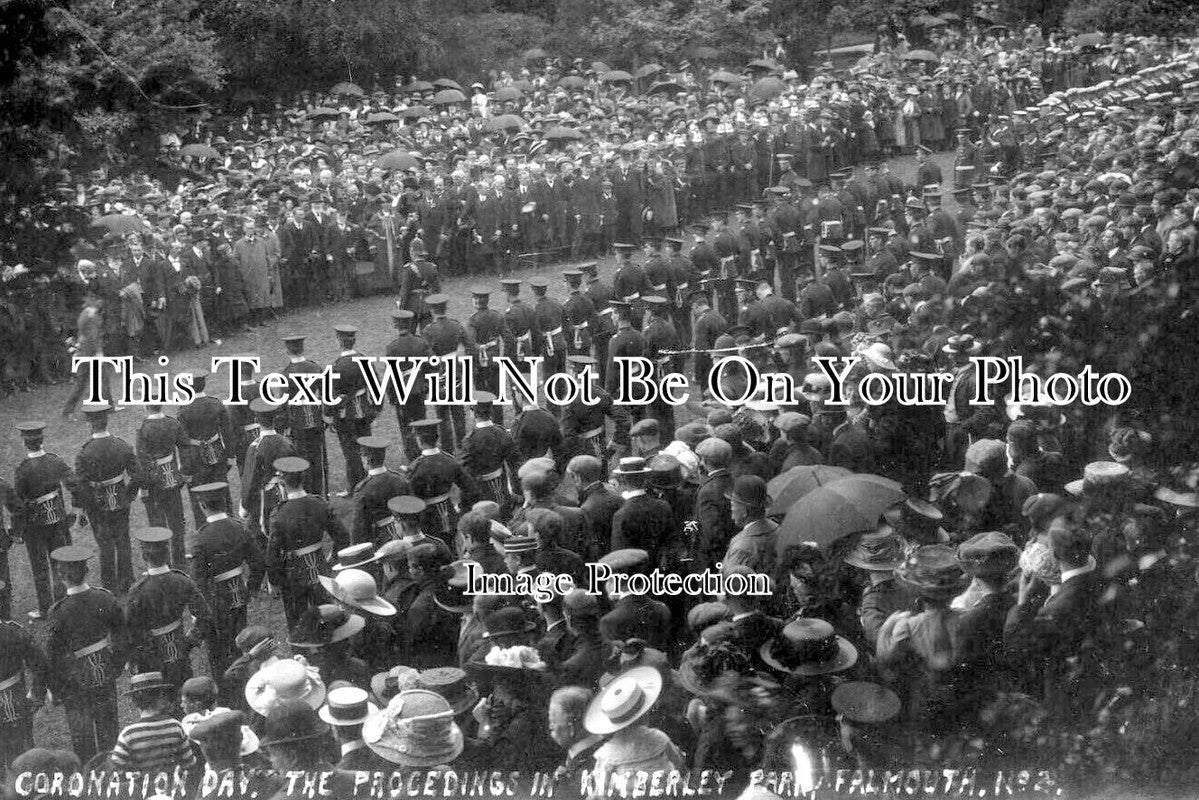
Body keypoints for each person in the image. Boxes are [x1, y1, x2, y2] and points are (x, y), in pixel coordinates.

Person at [45, 546, 124, 762]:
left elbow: (53, 655)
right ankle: (111, 769)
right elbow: (122, 633)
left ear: (61, 575)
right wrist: (116, 663)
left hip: (75, 677)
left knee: (82, 735)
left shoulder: (58, 612)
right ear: (87, 570)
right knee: (109, 725)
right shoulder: (105, 598)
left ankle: (88, 772)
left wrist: (55, 688)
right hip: (104, 669)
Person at [189, 481, 264, 694]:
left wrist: (197, 614)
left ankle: (225, 692)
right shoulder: (239, 527)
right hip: (238, 591)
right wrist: (251, 588)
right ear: (223, 501)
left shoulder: (200, 538)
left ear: (202, 505)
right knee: (240, 639)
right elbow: (258, 562)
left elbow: (197, 581)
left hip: (215, 598)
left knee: (217, 650)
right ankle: (244, 685)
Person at [124, 527, 211, 693]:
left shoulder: (138, 591)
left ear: (144, 556)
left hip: (151, 657)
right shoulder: (182, 581)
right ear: (167, 554)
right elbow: (204, 616)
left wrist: (134, 656)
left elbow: (129, 631)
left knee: (158, 695)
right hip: (179, 648)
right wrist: (190, 640)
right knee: (184, 690)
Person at [267, 457, 349, 627]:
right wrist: (333, 558)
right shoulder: (319, 503)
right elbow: (342, 536)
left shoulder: (279, 513)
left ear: (282, 483)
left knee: (298, 620)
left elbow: (273, 552)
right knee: (328, 613)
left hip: (294, 573)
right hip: (320, 565)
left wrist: (274, 580)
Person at [75, 402, 139, 594]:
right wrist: (129, 494)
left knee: (105, 544)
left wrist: (85, 508)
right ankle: (127, 580)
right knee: (123, 539)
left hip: (97, 503)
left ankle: (109, 584)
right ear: (106, 421)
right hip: (120, 498)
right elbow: (138, 475)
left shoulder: (84, 452)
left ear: (90, 423)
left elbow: (81, 485)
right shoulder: (122, 445)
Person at [13, 420, 74, 619]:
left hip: (35, 526)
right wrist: (75, 508)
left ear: (24, 443)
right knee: (60, 561)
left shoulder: (22, 469)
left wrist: (17, 531)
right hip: (58, 520)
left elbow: (18, 505)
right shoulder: (55, 461)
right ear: (42, 440)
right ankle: (64, 603)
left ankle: (45, 608)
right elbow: (73, 483)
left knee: (40, 567)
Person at [584, 666, 686, 785]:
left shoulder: (607, 754)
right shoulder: (659, 738)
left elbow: (601, 789)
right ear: (644, 712)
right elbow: (680, 765)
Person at [108, 671, 197, 771]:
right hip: (172, 780)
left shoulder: (129, 734)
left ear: (135, 702)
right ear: (161, 697)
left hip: (142, 780)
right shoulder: (176, 727)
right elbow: (189, 763)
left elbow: (116, 766)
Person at [135, 403, 189, 565]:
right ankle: (180, 560)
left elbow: (142, 462)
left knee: (157, 523)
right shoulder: (173, 423)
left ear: (146, 407)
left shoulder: (143, 429)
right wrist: (184, 472)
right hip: (172, 477)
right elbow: (185, 447)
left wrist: (144, 487)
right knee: (176, 522)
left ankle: (162, 562)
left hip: (154, 482)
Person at [0, 591, 49, 768]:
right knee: (24, 756)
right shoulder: (13, 631)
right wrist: (36, 694)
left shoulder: (13, 631)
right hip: (16, 700)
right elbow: (40, 663)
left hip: (15, 701)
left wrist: (36, 693)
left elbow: (40, 663)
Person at [278, 334, 329, 495]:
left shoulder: (286, 374)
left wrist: (283, 426)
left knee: (302, 460)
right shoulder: (315, 368)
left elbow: (282, 405)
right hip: (316, 419)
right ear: (303, 348)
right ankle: (318, 493)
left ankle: (308, 493)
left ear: (287, 351)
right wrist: (326, 415)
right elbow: (327, 395)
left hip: (297, 423)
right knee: (317, 459)